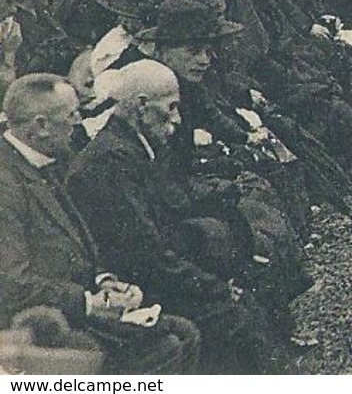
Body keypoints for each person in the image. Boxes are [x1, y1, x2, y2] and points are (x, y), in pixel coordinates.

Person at [67, 60, 284, 372]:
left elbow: (174, 207)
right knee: (232, 313)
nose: (178, 119)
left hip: (159, 267)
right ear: (141, 106)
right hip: (135, 285)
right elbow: (144, 254)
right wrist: (215, 286)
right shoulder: (110, 163)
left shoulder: (136, 144)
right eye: (170, 108)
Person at [0, 73, 202, 373]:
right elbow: (12, 284)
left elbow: (79, 239)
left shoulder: (51, 157)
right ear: (41, 126)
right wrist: (89, 302)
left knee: (183, 333)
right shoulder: (6, 182)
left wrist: (105, 280)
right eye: (72, 115)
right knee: (168, 345)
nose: (79, 123)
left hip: (76, 303)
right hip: (40, 324)